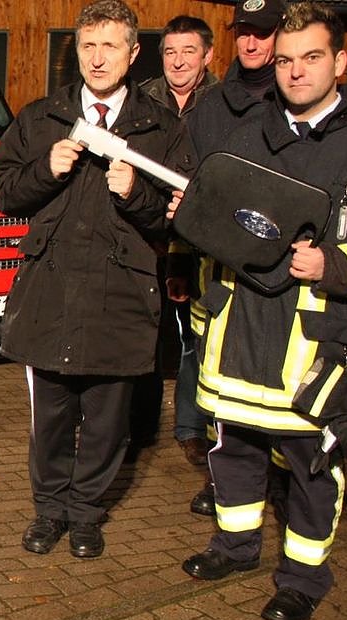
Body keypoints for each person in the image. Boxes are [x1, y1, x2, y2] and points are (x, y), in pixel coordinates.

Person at [178, 2, 347, 620]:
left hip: (319, 339)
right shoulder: (246, 135)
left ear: (340, 61)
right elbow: (223, 220)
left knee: (313, 466)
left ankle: (303, 579)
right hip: (240, 328)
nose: (296, 72)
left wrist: (336, 263)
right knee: (234, 449)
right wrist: (191, 213)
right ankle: (234, 546)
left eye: (311, 58)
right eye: (284, 60)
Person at [0, 0, 192, 559]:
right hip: (50, 292)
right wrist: (44, 170)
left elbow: (179, 216)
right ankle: (48, 510)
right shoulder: (41, 118)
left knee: (106, 421)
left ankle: (85, 514)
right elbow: (2, 192)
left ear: (133, 53)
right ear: (75, 51)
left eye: (109, 46)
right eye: (87, 46)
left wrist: (136, 193)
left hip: (121, 295)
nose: (97, 59)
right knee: (51, 418)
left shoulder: (162, 127)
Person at [177, 0, 283, 516]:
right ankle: (223, 477)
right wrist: (179, 260)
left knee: (274, 386)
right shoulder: (211, 107)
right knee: (217, 384)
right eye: (243, 31)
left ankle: (279, 477)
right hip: (218, 272)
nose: (250, 42)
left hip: (281, 275)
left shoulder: (292, 99)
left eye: (261, 33)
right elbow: (187, 187)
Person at [139, 14, 218, 515]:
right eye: (170, 52)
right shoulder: (143, 98)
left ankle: (190, 427)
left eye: (189, 51)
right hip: (145, 233)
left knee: (193, 337)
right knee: (141, 332)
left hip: (195, 239)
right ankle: (139, 423)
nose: (179, 61)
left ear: (207, 55)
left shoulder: (223, 104)